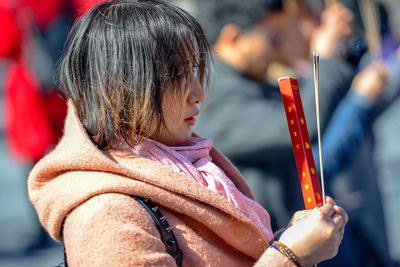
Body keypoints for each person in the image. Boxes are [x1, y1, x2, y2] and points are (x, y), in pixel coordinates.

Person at [27, 0, 348, 266]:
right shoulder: (106, 214)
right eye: (176, 75)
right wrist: (288, 256)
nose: (197, 93)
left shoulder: (186, 163)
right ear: (123, 88)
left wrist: (286, 240)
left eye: (194, 71)